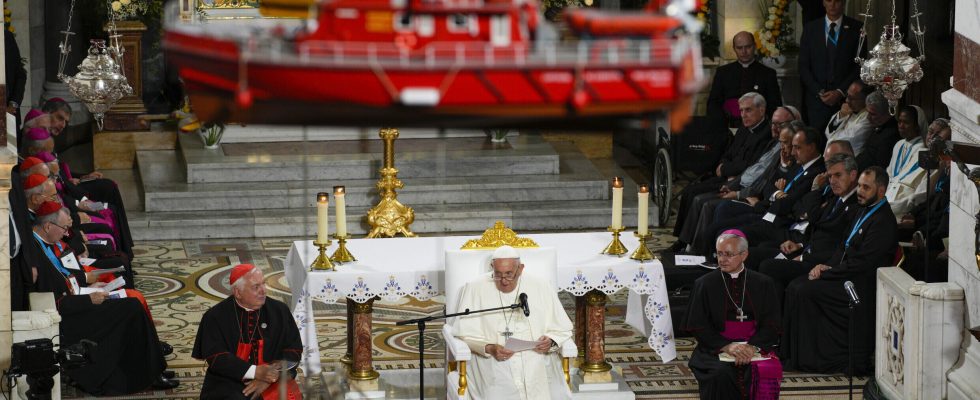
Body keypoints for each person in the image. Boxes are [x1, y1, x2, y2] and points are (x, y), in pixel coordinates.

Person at [29, 201, 178, 394]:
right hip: (68, 317)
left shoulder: (45, 243)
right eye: (64, 228)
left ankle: (153, 370)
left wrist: (89, 290)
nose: (66, 234)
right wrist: (89, 299)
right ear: (48, 226)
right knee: (131, 308)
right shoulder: (35, 252)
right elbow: (52, 300)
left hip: (77, 301)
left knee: (131, 305)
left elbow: (64, 280)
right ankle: (150, 374)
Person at [781, 166, 898, 374]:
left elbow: (863, 263)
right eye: (860, 185)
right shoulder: (863, 210)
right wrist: (824, 266)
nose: (860, 191)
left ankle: (816, 359)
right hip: (846, 274)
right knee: (795, 285)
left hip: (861, 285)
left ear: (881, 191)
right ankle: (791, 355)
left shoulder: (883, 221)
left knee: (806, 290)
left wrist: (828, 273)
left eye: (866, 187)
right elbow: (842, 247)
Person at [452, 245, 574, 400]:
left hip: (536, 359)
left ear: (520, 269)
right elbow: (463, 333)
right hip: (494, 362)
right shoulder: (475, 287)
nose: (504, 281)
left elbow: (562, 328)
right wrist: (489, 348)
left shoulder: (541, 285)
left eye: (509, 274)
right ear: (492, 268)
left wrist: (550, 341)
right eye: (498, 274)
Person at [673, 106, 798, 252]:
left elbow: (764, 183)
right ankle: (687, 244)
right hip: (740, 183)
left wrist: (739, 192)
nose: (775, 128)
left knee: (709, 204)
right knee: (693, 193)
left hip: (757, 201)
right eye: (773, 124)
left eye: (780, 125)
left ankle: (700, 251)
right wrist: (732, 183)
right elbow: (752, 170)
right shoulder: (771, 143)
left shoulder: (786, 155)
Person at [684, 231, 782, 399]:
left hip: (755, 346)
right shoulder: (704, 284)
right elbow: (698, 325)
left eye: (728, 254)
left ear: (744, 255)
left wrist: (752, 347)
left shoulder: (763, 283)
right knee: (721, 373)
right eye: (719, 254)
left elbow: (772, 323)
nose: (722, 259)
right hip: (716, 348)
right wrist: (726, 346)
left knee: (765, 370)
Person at [755, 153, 861, 301]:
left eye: (838, 175)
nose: (833, 181)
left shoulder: (856, 205)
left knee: (768, 267)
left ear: (853, 175)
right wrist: (799, 245)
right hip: (805, 249)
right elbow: (817, 224)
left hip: (820, 262)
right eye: (830, 177)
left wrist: (804, 256)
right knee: (759, 254)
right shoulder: (836, 197)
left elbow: (837, 246)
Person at [193, 264, 303, 399]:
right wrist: (255, 372)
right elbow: (217, 357)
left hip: (275, 377)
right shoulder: (215, 316)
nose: (263, 291)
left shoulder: (279, 310)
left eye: (263, 284)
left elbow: (293, 350)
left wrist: (267, 379)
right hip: (229, 379)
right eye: (255, 287)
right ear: (237, 292)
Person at [798, 0, 864, 131]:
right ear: (823, 2)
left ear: (843, 3)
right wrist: (819, 91)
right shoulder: (811, 29)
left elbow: (859, 66)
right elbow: (803, 66)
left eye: (837, 1)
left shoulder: (857, 28)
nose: (833, 5)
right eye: (829, 0)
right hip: (816, 102)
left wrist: (840, 91)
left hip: (845, 102)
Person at [707, 32, 783, 126]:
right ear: (734, 49)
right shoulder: (723, 72)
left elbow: (775, 105)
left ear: (755, 46)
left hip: (758, 127)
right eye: (739, 48)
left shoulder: (767, 74)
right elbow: (713, 103)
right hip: (728, 125)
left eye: (748, 47)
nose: (744, 52)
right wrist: (722, 123)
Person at [885, 105, 929, 217]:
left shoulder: (925, 150)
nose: (901, 126)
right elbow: (889, 174)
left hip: (906, 204)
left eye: (906, 122)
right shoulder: (898, 144)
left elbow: (923, 187)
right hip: (888, 195)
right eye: (899, 121)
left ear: (917, 125)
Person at [824, 81, 874, 155]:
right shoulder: (848, 109)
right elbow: (828, 133)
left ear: (865, 100)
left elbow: (843, 140)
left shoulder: (868, 118)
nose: (847, 100)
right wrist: (841, 115)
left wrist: (833, 135)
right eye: (847, 96)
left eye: (852, 98)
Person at [855, 91, 900, 171]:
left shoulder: (891, 135)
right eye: (868, 113)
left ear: (887, 113)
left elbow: (880, 167)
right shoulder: (879, 126)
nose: (868, 118)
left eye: (873, 114)